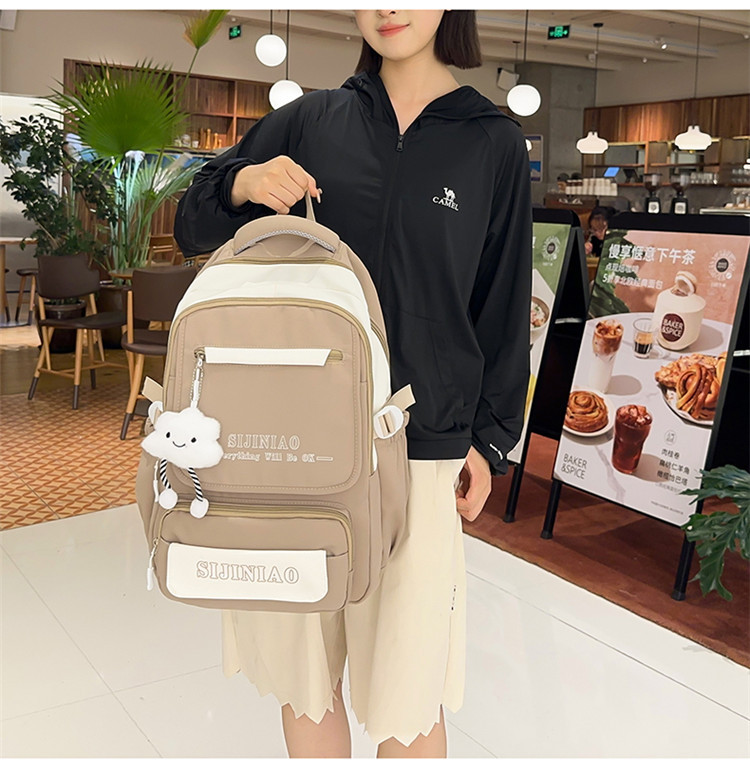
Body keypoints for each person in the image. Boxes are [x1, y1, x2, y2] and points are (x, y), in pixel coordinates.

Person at [174, 9, 531, 759]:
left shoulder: (492, 142)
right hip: (294, 445)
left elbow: (499, 306)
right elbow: (192, 222)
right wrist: (242, 181)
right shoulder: (311, 121)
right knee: (306, 679)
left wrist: (491, 441)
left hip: (424, 446)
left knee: (410, 694)